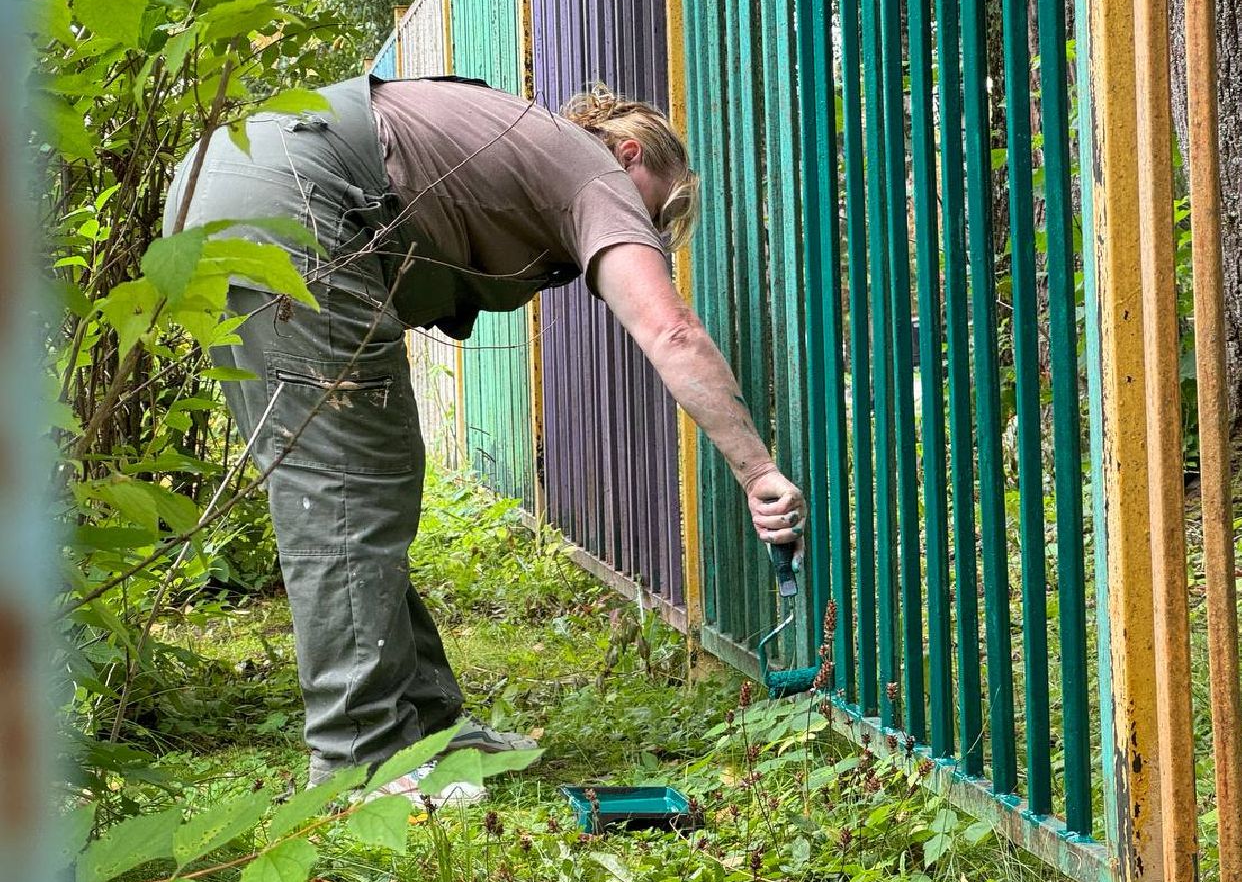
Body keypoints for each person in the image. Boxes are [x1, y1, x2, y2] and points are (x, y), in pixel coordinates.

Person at [162, 73, 807, 803]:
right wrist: (757, 472)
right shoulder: (595, 173)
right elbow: (671, 330)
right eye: (661, 207)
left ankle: (431, 727)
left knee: (352, 479)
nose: (652, 229)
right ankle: (357, 760)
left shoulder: (531, 141)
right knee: (347, 490)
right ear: (631, 154)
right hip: (289, 203)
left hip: (223, 193)